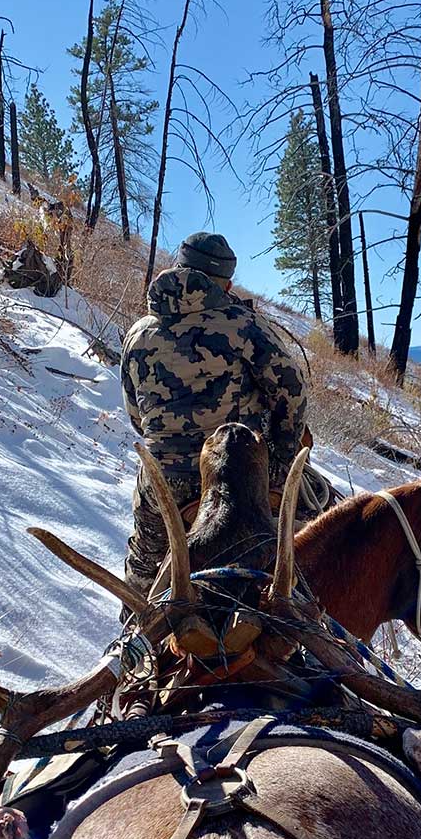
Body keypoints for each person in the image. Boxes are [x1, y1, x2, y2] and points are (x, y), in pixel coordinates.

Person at [120, 230, 311, 599]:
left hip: (164, 479)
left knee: (144, 563)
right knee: (315, 540)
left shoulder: (138, 333)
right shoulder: (242, 324)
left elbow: (135, 415)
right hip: (236, 471)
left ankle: (135, 621)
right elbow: (292, 391)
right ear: (226, 282)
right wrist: (281, 457)